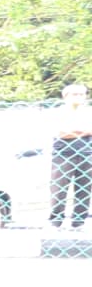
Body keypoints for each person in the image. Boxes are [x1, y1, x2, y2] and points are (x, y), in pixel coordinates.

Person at [53, 83, 90, 228]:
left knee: (84, 189)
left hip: (87, 152)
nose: (79, 97)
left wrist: (75, 131)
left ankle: (78, 223)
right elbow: (61, 133)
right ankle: (55, 222)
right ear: (66, 96)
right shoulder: (58, 112)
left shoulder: (88, 112)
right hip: (63, 154)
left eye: (82, 94)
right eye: (75, 94)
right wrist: (84, 131)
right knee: (59, 189)